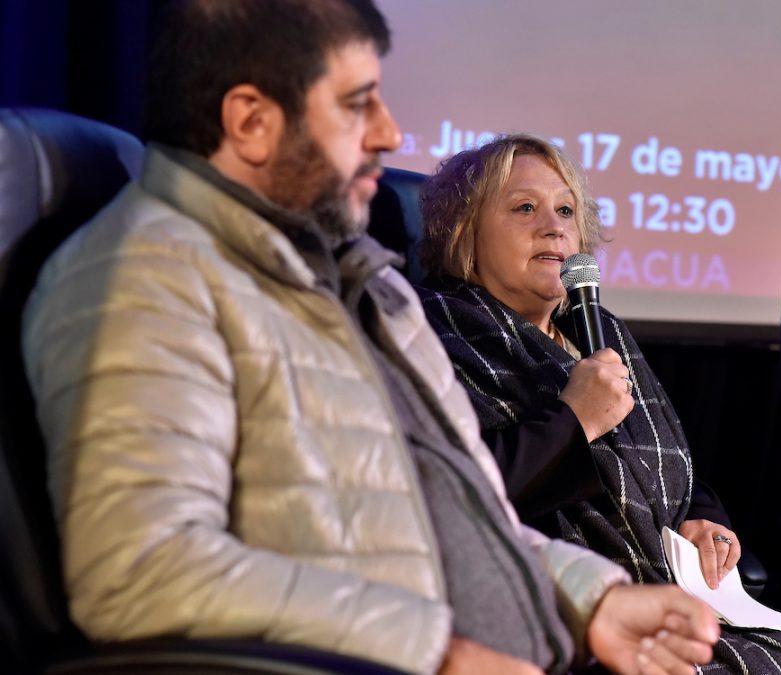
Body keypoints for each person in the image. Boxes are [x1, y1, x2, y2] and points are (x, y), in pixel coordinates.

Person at [20, 2, 723, 674]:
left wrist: (589, 598)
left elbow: (455, 503)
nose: (389, 133)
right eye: (358, 104)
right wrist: (437, 654)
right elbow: (143, 572)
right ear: (251, 120)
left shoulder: (362, 289)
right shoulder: (147, 277)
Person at [416, 134, 781, 674]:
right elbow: (459, 495)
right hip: (561, 622)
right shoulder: (437, 333)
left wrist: (702, 523)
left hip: (683, 607)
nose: (554, 227)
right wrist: (575, 419)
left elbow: (670, 472)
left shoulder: (601, 333)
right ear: (463, 232)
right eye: (524, 207)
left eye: (566, 210)